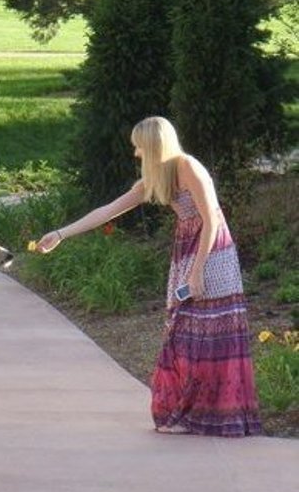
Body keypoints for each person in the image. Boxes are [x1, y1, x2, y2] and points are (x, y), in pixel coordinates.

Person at [36, 116, 261, 437]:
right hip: (187, 252)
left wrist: (197, 271)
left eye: (139, 147)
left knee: (210, 332)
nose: (136, 153)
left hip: (212, 253)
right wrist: (60, 234)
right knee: (183, 333)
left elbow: (211, 220)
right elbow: (108, 210)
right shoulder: (158, 176)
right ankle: (189, 415)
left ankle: (212, 417)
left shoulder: (189, 167)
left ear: (155, 146)